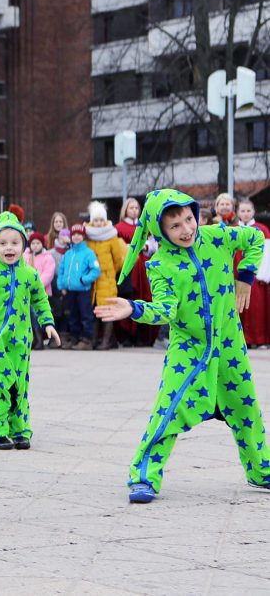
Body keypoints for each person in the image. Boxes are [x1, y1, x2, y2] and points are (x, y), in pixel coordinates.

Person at [95, 188, 270, 503]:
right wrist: (134, 308)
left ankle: (261, 470)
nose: (186, 230)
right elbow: (165, 310)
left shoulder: (219, 237)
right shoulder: (160, 265)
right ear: (160, 230)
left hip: (228, 344)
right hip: (187, 350)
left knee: (247, 409)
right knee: (168, 410)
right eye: (175, 226)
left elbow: (255, 239)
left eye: (189, 219)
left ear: (197, 215)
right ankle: (144, 476)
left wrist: (244, 276)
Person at [0, 213, 60, 450]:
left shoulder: (30, 274)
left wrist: (48, 323)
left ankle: (19, 429)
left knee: (19, 385)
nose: (9, 248)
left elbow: (40, 300)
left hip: (20, 342)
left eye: (15, 243)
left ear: (23, 246)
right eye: (3, 243)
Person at [114, 197, 158, 347]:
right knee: (128, 297)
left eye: (136, 208)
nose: (134, 210)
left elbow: (154, 245)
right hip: (128, 266)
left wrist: (146, 246)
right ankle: (125, 336)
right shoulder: (118, 228)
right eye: (131, 208)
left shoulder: (146, 226)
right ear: (125, 209)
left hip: (143, 268)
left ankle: (142, 336)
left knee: (144, 298)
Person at [85, 201, 126, 350]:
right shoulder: (88, 236)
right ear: (91, 221)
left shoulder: (111, 236)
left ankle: (106, 341)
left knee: (107, 311)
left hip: (107, 280)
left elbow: (117, 258)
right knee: (95, 311)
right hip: (92, 281)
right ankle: (95, 340)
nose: (99, 223)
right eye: (96, 220)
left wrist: (109, 273)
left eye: (101, 219)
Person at [56, 224, 100, 350]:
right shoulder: (68, 253)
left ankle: (86, 339)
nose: (76, 237)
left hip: (83, 291)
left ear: (83, 236)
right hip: (69, 291)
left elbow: (95, 270)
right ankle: (74, 338)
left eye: (79, 234)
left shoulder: (88, 253)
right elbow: (62, 270)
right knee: (72, 315)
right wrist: (61, 285)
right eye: (74, 234)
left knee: (85, 315)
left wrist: (84, 279)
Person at [236, 198, 270, 348]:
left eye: (248, 210)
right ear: (238, 212)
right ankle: (240, 340)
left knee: (256, 308)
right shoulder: (233, 229)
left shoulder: (262, 229)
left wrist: (262, 275)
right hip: (236, 274)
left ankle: (258, 339)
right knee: (238, 307)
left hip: (255, 275)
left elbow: (267, 253)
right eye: (242, 211)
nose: (245, 214)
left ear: (253, 212)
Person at [23, 231, 56, 349]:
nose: (35, 245)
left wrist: (36, 286)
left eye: (38, 243)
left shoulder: (48, 258)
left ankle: (40, 339)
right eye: (33, 243)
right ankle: (32, 339)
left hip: (41, 293)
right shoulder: (25, 256)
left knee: (38, 315)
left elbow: (48, 274)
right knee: (29, 316)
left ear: (42, 244)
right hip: (27, 293)